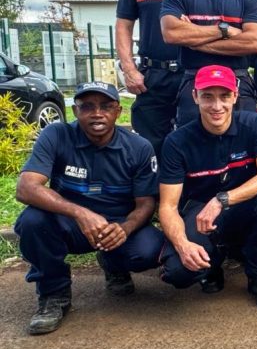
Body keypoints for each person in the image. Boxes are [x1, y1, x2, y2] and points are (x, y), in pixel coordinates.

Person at [14, 82, 164, 334]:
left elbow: (146, 203)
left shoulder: (139, 148)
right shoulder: (57, 135)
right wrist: (80, 213)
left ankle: (114, 265)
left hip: (117, 223)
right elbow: (26, 188)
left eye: (106, 106)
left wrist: (125, 228)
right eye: (87, 107)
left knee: (150, 249)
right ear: (75, 110)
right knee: (32, 222)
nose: (97, 113)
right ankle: (54, 294)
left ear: (118, 112)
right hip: (70, 223)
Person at [157, 66, 257, 308]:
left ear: (236, 96)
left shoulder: (253, 124)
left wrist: (221, 199)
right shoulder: (176, 142)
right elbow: (167, 206)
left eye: (224, 96)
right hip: (199, 215)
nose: (217, 106)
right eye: (208, 96)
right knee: (178, 272)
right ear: (195, 96)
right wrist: (183, 245)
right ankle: (212, 264)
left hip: (241, 205)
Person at [114, 0, 199, 157]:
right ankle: (153, 193)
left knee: (193, 139)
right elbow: (123, 27)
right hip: (152, 76)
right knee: (150, 145)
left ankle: (189, 194)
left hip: (189, 74)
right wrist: (130, 70)